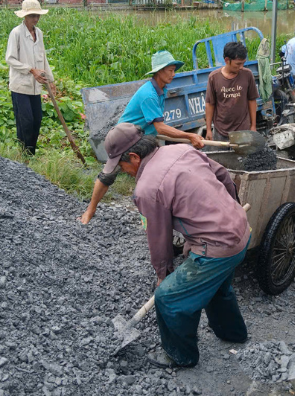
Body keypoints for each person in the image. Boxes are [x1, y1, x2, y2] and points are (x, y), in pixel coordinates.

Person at [104, 123, 250, 368]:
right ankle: (233, 333)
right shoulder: (180, 150)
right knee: (217, 287)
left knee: (169, 298)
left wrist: (164, 276)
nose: (124, 171)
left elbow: (158, 237)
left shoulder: (147, 188)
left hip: (218, 248)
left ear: (134, 157)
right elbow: (223, 174)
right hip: (241, 231)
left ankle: (180, 356)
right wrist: (232, 210)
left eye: (122, 166)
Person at [79, 51, 204, 224]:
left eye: (174, 70)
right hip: (126, 138)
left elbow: (155, 126)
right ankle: (90, 211)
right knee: (108, 175)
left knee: (157, 174)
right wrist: (190, 136)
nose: (173, 74)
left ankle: (155, 215)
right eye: (170, 70)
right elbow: (160, 127)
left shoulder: (161, 90)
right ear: (159, 71)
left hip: (144, 137)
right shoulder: (149, 94)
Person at [5, 0, 55, 156]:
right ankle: (23, 153)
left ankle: (30, 154)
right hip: (20, 85)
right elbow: (10, 59)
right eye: (32, 15)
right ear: (25, 16)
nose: (36, 19)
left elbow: (43, 57)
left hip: (35, 86)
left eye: (37, 15)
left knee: (37, 120)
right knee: (25, 121)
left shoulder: (38, 33)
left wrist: (51, 80)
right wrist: (31, 70)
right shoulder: (17, 33)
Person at [205, 42, 259, 144]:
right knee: (221, 159)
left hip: (243, 130)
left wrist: (253, 126)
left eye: (243, 63)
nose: (241, 67)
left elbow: (252, 100)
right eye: (238, 64)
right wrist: (208, 129)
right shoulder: (214, 77)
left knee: (243, 159)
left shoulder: (247, 75)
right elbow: (210, 104)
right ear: (227, 60)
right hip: (221, 130)